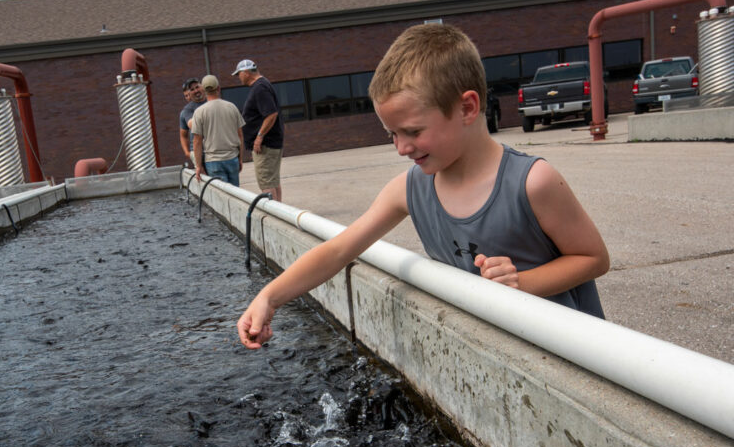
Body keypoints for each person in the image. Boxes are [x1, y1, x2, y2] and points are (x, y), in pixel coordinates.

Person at [237, 23, 609, 349]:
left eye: (413, 131)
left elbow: (594, 259)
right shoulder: (410, 188)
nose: (401, 148)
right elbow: (338, 251)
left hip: (570, 353)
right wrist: (269, 298)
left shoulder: (532, 182)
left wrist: (520, 284)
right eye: (392, 134)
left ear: (466, 108)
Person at [232, 59, 284, 202]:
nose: (239, 78)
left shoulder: (259, 87)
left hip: (265, 146)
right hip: (271, 143)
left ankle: (274, 215)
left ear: (246, 73)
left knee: (266, 182)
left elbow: (271, 113)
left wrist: (259, 137)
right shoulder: (263, 84)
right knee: (273, 180)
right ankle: (280, 212)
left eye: (239, 74)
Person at [191, 74, 245, 187]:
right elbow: (240, 135)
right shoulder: (232, 107)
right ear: (219, 88)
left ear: (204, 91)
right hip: (232, 158)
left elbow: (197, 141)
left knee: (221, 198)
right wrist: (240, 159)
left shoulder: (199, 112)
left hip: (213, 161)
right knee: (236, 195)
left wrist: (198, 166)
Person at [178, 77, 206, 166]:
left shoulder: (211, 102)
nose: (188, 97)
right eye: (186, 96)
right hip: (197, 151)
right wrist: (187, 152)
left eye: (197, 87)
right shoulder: (186, 112)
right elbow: (183, 135)